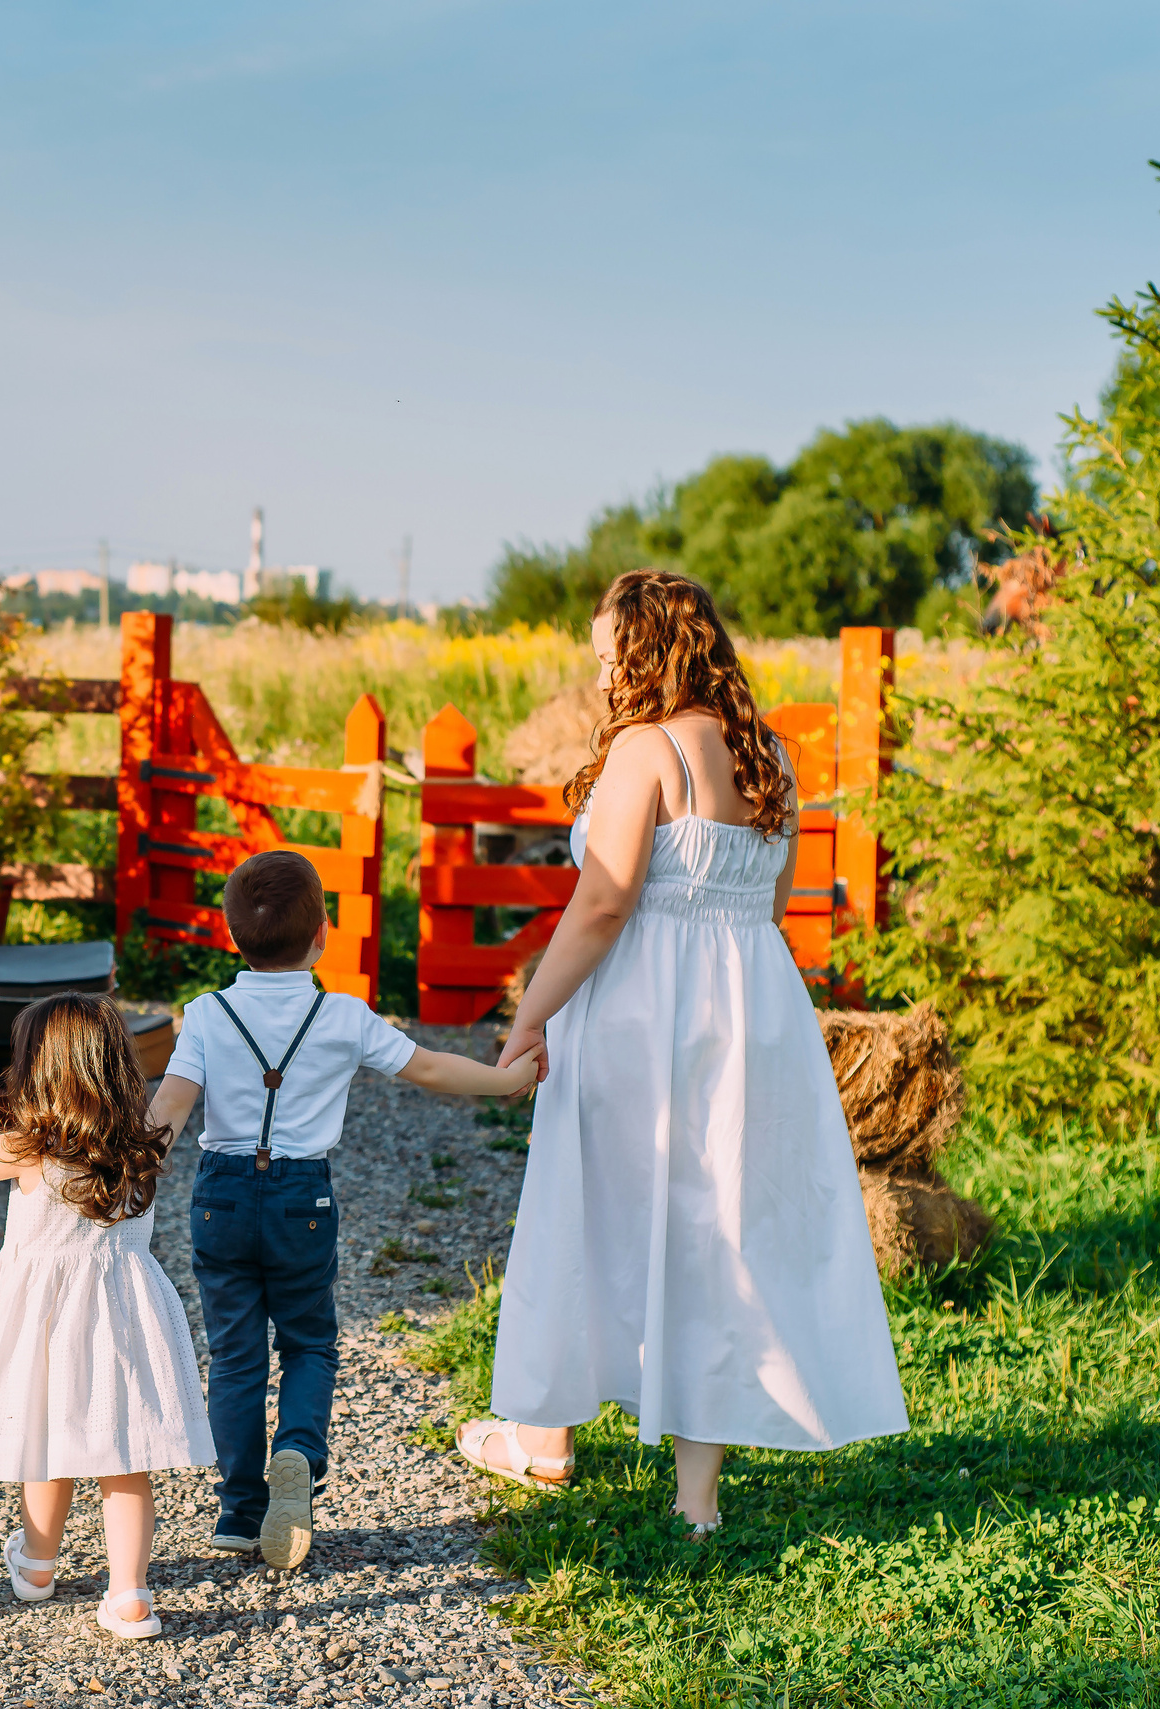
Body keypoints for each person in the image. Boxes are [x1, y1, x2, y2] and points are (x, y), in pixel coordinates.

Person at [460, 568, 907, 1533]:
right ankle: (695, 1501)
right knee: (718, 1228)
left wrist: (533, 1012)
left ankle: (545, 1437)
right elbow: (770, 906)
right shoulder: (770, 761)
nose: (599, 666)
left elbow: (605, 899)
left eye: (606, 648)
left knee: (595, 1202)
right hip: (753, 1012)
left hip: (639, 1012)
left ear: (642, 649)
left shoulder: (644, 750)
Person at [147, 850, 542, 1570]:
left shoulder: (206, 1012)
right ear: (322, 932)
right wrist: (504, 1079)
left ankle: (239, 1509)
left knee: (234, 1354)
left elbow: (173, 1100)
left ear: (231, 934)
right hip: (304, 1196)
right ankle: (297, 1448)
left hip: (222, 1195)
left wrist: (132, 1165)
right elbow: (426, 1065)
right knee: (308, 1341)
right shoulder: (343, 1015)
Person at [0, 993, 211, 1641]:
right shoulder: (144, 1140)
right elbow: (180, 1088)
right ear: (117, 1064)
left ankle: (37, 1565)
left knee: (44, 1442)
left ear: (35, 1069)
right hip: (122, 1320)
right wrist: (204, 1029)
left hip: (42, 1323)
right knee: (125, 1457)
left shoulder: (28, 1149)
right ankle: (129, 1597)